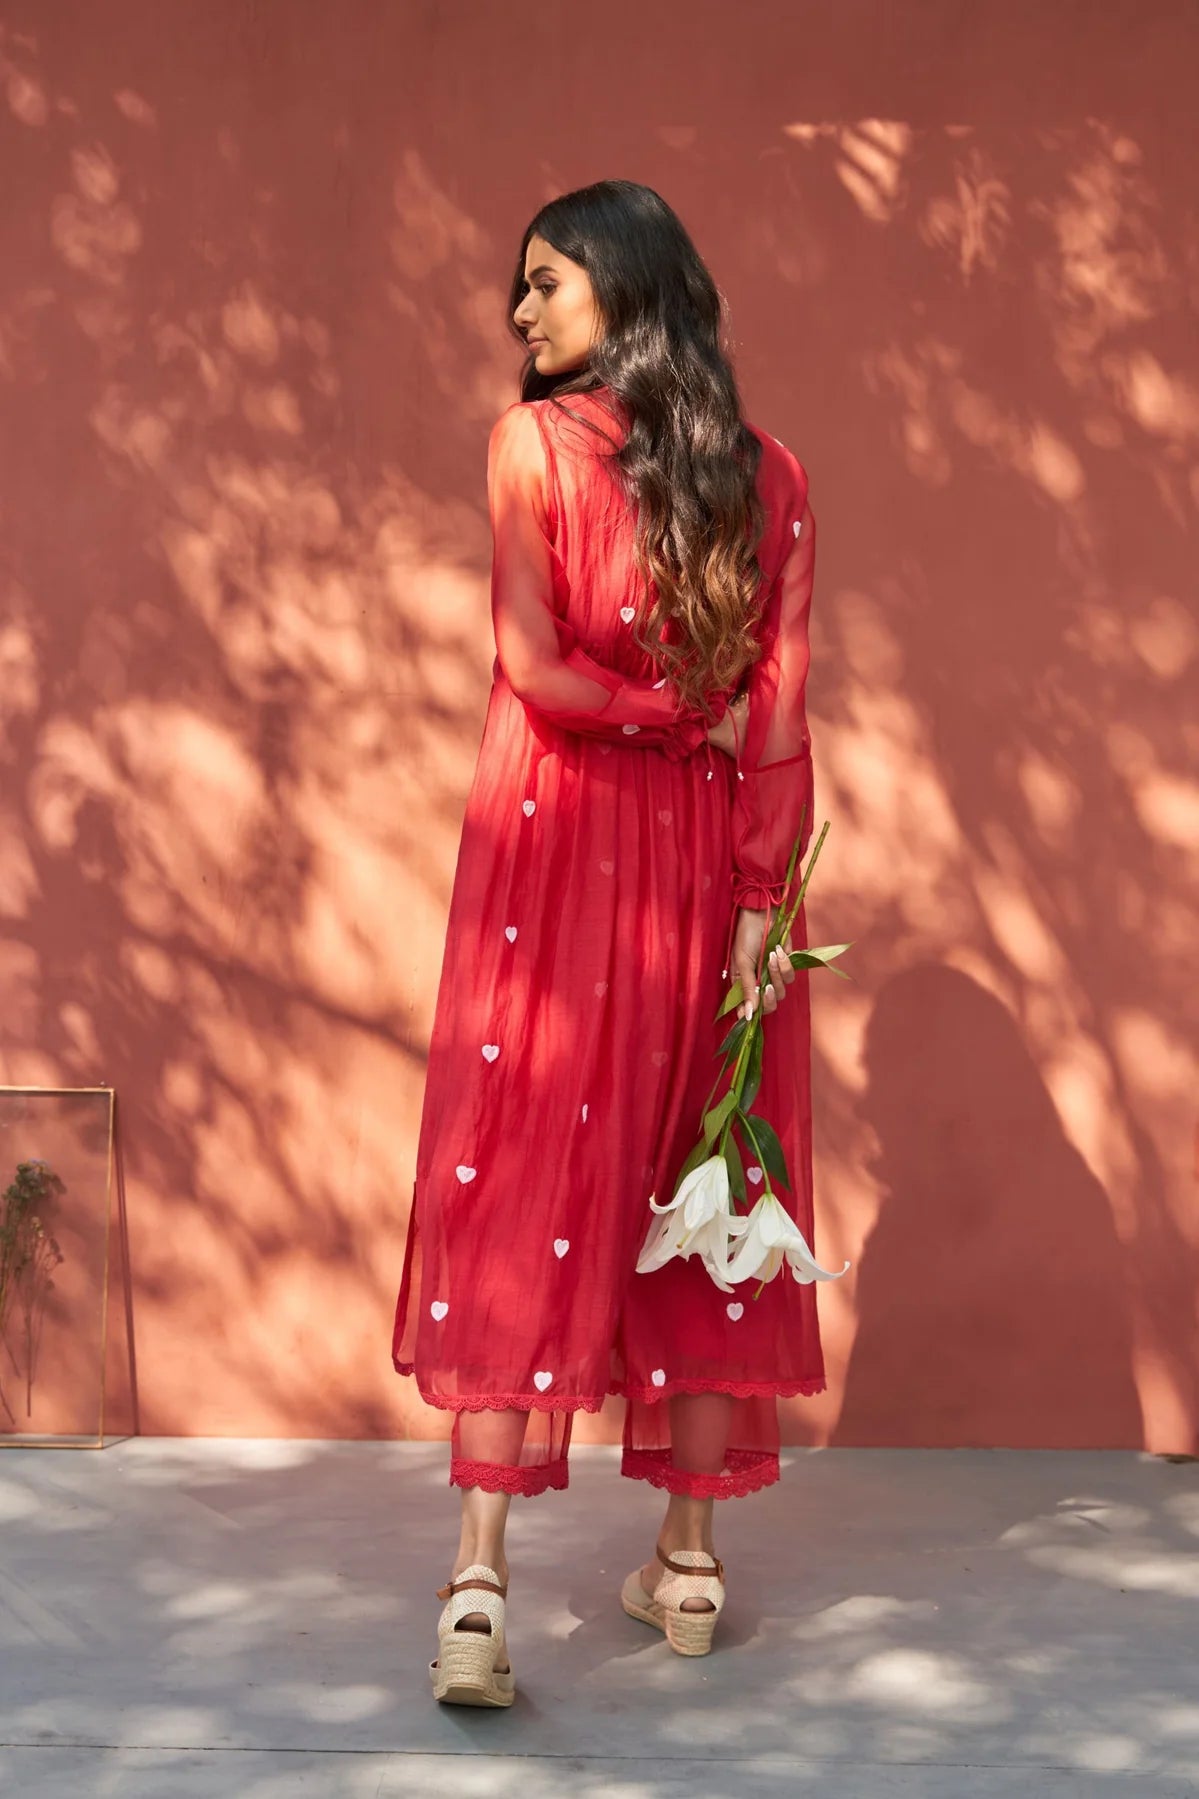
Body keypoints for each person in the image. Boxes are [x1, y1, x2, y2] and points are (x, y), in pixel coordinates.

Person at [392, 179, 825, 1707]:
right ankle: (689, 1568)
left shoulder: (530, 451)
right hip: (713, 865)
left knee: (531, 1164)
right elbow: (777, 719)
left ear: (628, 293)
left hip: (563, 846)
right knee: (710, 1174)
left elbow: (533, 665)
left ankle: (477, 1587)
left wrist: (645, 714)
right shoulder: (767, 478)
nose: (520, 313)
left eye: (546, 284)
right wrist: (764, 906)